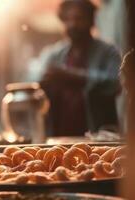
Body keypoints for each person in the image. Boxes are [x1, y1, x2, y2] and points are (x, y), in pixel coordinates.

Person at [33, 0, 121, 136]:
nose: (73, 24)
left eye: (79, 18)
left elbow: (116, 83)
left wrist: (75, 78)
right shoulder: (53, 54)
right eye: (67, 19)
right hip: (59, 138)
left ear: (92, 21)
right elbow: (35, 83)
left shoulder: (108, 52)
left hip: (99, 138)